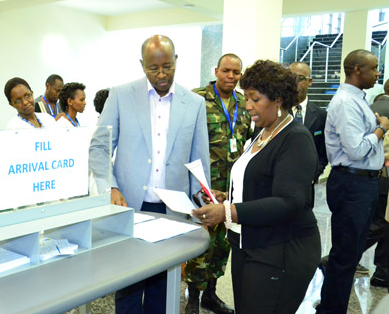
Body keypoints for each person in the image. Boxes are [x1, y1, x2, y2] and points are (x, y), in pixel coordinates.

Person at [89, 34, 210, 314]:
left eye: (167, 66)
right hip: (130, 203)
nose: (161, 74)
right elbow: (99, 147)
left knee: (164, 287)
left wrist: (201, 205)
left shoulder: (194, 103)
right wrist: (110, 187)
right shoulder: (120, 95)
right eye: (153, 68)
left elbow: (198, 160)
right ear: (142, 65)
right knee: (129, 284)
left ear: (176, 61)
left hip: (173, 209)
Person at [192, 59, 321, 314]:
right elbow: (258, 182)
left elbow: (288, 200)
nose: (248, 106)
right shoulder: (261, 133)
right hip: (249, 244)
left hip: (280, 250)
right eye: (246, 98)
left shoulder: (295, 138)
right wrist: (226, 196)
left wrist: (227, 212)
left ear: (278, 100)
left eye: (255, 99)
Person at [317, 49, 389, 314]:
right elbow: (356, 150)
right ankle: (330, 310)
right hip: (352, 184)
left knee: (350, 253)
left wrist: (376, 128)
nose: (378, 73)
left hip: (363, 183)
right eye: (374, 68)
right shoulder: (346, 102)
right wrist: (382, 129)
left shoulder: (359, 100)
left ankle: (330, 300)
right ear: (357, 69)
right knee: (346, 256)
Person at [185, 54, 251, 314]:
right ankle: (192, 298)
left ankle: (210, 295)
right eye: (226, 71)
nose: (231, 76)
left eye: (236, 72)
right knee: (200, 241)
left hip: (230, 188)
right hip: (203, 186)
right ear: (216, 71)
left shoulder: (244, 103)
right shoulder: (196, 98)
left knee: (223, 242)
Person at [361, 79, 389, 288]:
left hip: (367, 175)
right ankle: (343, 256)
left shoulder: (369, 108)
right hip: (385, 176)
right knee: (381, 224)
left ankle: (383, 272)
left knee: (381, 223)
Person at [289, 62, 327, 207]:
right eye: (291, 78)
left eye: (300, 78)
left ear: (310, 82)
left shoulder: (321, 115)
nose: (295, 83)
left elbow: (322, 154)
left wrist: (311, 177)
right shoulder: (277, 111)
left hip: (306, 187)